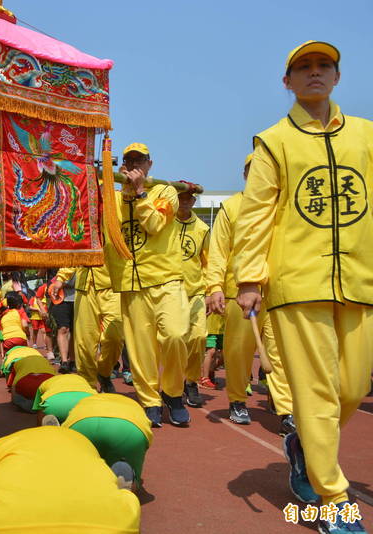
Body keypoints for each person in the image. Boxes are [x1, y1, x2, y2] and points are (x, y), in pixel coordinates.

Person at [234, 41, 371, 534]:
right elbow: (255, 216)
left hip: (359, 281)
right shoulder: (273, 141)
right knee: (315, 394)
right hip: (297, 283)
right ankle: (334, 499)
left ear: (337, 76)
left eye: (323, 65)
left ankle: (301, 445)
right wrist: (249, 277)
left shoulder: (366, 136)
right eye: (303, 67)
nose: (315, 73)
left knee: (352, 388)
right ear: (287, 82)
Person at [205, 154, 294, 432]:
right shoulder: (231, 207)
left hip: (278, 293)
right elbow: (218, 250)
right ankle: (237, 400)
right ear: (245, 175)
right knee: (238, 352)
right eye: (253, 171)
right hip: (240, 293)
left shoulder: (283, 206)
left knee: (280, 354)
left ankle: (286, 409)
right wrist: (215, 287)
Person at [104, 142, 190, 428]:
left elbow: (154, 224)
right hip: (130, 283)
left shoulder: (165, 192)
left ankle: (174, 393)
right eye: (128, 162)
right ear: (121, 166)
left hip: (166, 279)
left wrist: (140, 193)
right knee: (140, 349)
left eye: (139, 161)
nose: (133, 166)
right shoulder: (112, 199)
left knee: (176, 336)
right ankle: (150, 400)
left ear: (149, 164)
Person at [0, 426, 140, 533]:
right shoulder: (82, 442)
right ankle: (123, 490)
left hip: (1, 525)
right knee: (123, 507)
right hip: (111, 526)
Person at [61, 393, 153, 492]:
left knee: (75, 473)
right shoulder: (135, 406)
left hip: (82, 423)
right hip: (128, 427)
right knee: (128, 478)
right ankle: (125, 490)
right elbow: (146, 442)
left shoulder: (85, 401)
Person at [53, 266, 123, 392]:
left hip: (112, 286)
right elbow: (74, 251)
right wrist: (61, 277)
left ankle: (104, 372)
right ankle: (88, 387)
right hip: (84, 290)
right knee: (85, 342)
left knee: (115, 337)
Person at [174, 188, 210, 408]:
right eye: (181, 197)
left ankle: (191, 381)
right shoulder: (166, 223)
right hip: (170, 291)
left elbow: (208, 262)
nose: (185, 201)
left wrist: (208, 290)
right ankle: (172, 384)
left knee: (198, 338)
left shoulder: (203, 229)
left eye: (189, 197)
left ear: (194, 200)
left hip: (195, 291)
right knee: (173, 341)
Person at [32, 373, 96, 425]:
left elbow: (39, 408)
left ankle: (48, 431)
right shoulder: (82, 379)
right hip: (87, 401)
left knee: (43, 408)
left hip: (55, 403)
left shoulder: (47, 382)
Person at [47, 271, 76, 372]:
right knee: (63, 328)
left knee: (75, 330)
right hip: (60, 298)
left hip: (80, 297)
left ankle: (73, 361)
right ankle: (64, 361)